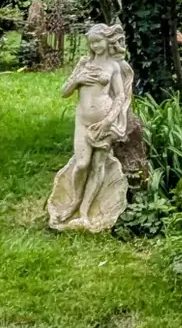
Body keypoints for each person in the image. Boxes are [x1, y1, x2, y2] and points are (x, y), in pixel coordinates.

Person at [48, 23, 132, 232]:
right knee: (82, 163)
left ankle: (85, 213)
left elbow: (120, 96)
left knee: (97, 166)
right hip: (83, 121)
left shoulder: (113, 66)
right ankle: (74, 202)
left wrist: (108, 121)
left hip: (103, 123)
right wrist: (77, 78)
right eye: (91, 43)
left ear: (107, 41)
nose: (95, 46)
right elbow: (64, 92)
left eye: (98, 41)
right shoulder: (84, 64)